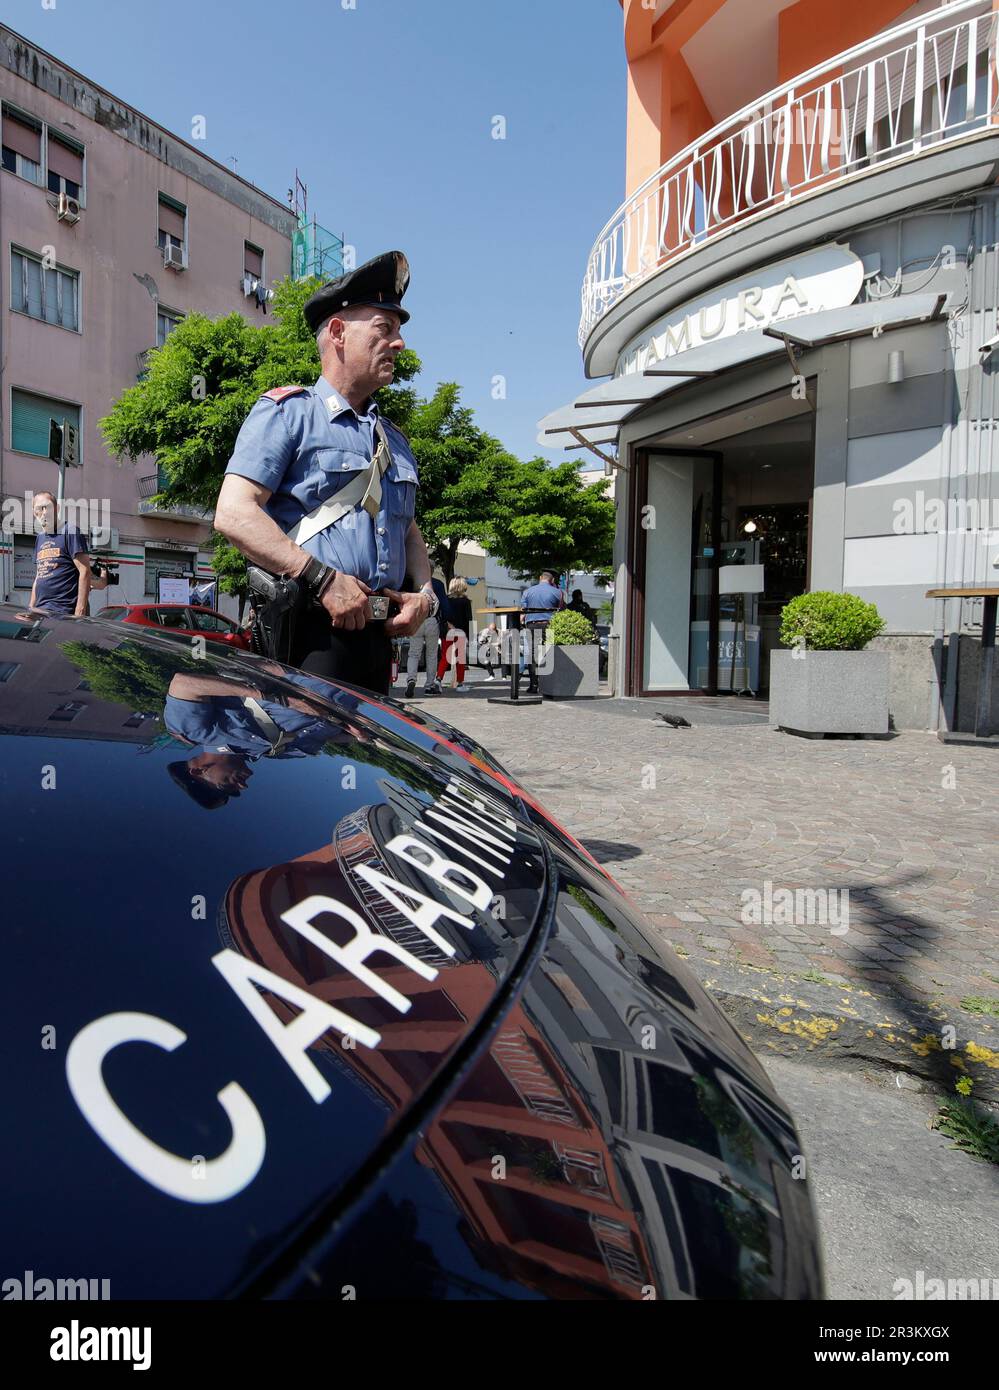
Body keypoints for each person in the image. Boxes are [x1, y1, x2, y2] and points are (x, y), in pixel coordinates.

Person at [214, 250, 439, 696]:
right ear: (338, 332)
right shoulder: (287, 414)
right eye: (385, 328)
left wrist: (426, 596)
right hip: (309, 638)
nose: (399, 343)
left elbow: (408, 529)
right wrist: (323, 579)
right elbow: (233, 513)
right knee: (308, 759)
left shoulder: (393, 439)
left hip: (378, 637)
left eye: (399, 331)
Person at [27, 491, 92, 617]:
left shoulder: (70, 531)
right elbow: (38, 577)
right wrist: (30, 609)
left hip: (65, 612)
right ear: (35, 513)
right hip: (41, 612)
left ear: (57, 508)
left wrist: (80, 612)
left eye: (48, 507)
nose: (44, 512)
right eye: (39, 508)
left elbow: (85, 571)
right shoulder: (39, 538)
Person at [404, 574, 448, 698]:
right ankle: (429, 685)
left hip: (417, 619)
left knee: (413, 653)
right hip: (432, 620)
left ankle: (411, 679)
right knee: (432, 654)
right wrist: (446, 619)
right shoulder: (438, 584)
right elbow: (445, 605)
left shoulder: (412, 583)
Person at [520, 569, 564, 694]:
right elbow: (560, 611)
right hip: (549, 627)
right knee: (548, 654)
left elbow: (523, 612)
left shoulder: (527, 592)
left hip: (532, 626)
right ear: (552, 580)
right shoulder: (558, 592)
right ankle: (547, 685)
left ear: (540, 578)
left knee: (532, 656)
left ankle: (533, 685)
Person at [437, 577, 473, 691]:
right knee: (460, 658)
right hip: (460, 632)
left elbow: (441, 615)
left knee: (445, 657)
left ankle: (438, 679)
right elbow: (469, 620)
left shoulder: (446, 600)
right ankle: (460, 683)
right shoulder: (466, 601)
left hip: (447, 630)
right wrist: (470, 636)